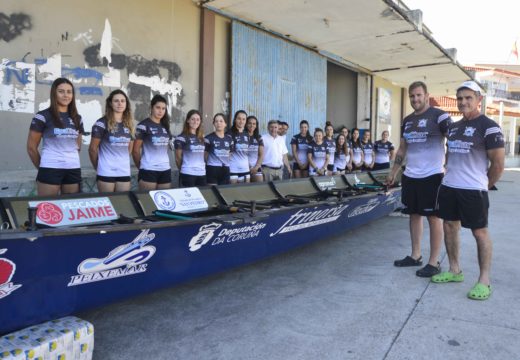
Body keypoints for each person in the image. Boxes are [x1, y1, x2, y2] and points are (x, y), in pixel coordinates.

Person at [431, 81, 505, 300]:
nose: (463, 102)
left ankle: (484, 281)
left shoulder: (489, 126)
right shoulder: (453, 127)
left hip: (474, 190)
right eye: (460, 98)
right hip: (450, 186)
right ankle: (455, 271)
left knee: (479, 232)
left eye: (468, 98)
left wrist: (484, 185)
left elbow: (498, 164)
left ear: (478, 100)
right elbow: (450, 156)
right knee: (449, 227)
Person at [387, 81, 452, 278]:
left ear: (426, 95)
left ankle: (434, 262)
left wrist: (450, 166)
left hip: (432, 175)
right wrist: (393, 171)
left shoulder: (439, 116)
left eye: (418, 95)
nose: (415, 99)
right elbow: (402, 148)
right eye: (412, 96)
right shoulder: (407, 120)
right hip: (410, 175)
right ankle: (415, 256)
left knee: (434, 218)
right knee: (414, 215)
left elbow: (454, 140)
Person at [27, 77, 84, 196]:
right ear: (54, 93)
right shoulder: (42, 116)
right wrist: (43, 168)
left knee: (70, 208)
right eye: (61, 91)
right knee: (47, 209)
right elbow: (31, 148)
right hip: (50, 167)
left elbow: (77, 146)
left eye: (69, 92)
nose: (66, 95)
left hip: (73, 168)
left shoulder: (77, 118)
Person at [89, 90, 134, 192]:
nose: (120, 103)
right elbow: (92, 149)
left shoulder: (129, 124)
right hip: (106, 171)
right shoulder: (101, 123)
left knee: (123, 203)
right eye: (116, 101)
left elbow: (129, 147)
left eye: (123, 101)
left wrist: (122, 161)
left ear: (126, 104)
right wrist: (99, 167)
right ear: (110, 103)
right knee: (108, 202)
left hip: (124, 171)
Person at [132, 94, 172, 191]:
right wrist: (141, 167)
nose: (160, 111)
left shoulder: (165, 126)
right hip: (149, 169)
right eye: (158, 107)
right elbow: (135, 151)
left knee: (163, 203)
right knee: (148, 203)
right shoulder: (143, 125)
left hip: (165, 169)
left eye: (163, 108)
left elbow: (164, 148)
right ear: (151, 108)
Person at [175, 109, 206, 187]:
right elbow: (178, 158)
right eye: (193, 119)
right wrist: (185, 168)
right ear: (188, 120)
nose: (195, 122)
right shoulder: (181, 137)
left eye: (198, 119)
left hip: (202, 173)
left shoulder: (202, 138)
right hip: (187, 173)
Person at [204, 113, 233, 185]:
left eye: (221, 121)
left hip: (225, 169)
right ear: (213, 124)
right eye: (216, 121)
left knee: (225, 192)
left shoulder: (229, 139)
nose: (218, 123)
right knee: (212, 193)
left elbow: (230, 154)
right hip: (212, 169)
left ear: (225, 124)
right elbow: (205, 156)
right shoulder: (208, 138)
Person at [228, 110, 250, 183]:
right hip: (233, 168)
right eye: (239, 118)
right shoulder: (229, 133)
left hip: (245, 169)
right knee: (233, 192)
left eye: (243, 119)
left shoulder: (247, 134)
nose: (241, 121)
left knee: (244, 193)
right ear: (235, 119)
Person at [246, 115, 264, 182]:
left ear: (256, 125)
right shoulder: (242, 136)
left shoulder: (258, 137)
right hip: (244, 166)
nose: (252, 125)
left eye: (254, 124)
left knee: (259, 188)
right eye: (249, 123)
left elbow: (261, 154)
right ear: (246, 124)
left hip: (256, 167)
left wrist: (256, 167)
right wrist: (249, 167)